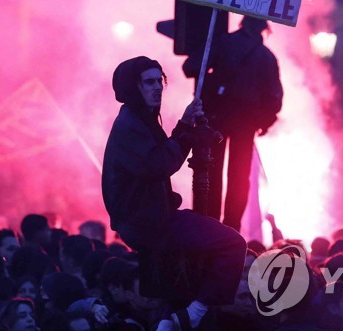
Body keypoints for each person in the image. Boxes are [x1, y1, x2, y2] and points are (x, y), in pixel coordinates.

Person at [102, 56, 246, 330]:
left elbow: (162, 155)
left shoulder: (140, 119)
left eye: (160, 81)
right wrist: (186, 132)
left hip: (151, 218)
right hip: (149, 222)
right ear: (133, 87)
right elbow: (160, 163)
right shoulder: (130, 125)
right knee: (233, 243)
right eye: (149, 82)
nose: (157, 87)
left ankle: (176, 315)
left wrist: (184, 124)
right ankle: (193, 313)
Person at [184, 16, 283, 231]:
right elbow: (274, 98)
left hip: (215, 118)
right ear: (263, 29)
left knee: (209, 170)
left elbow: (190, 67)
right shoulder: (266, 57)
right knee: (239, 177)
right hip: (246, 123)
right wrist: (264, 122)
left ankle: (207, 225)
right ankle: (230, 229)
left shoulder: (220, 42)